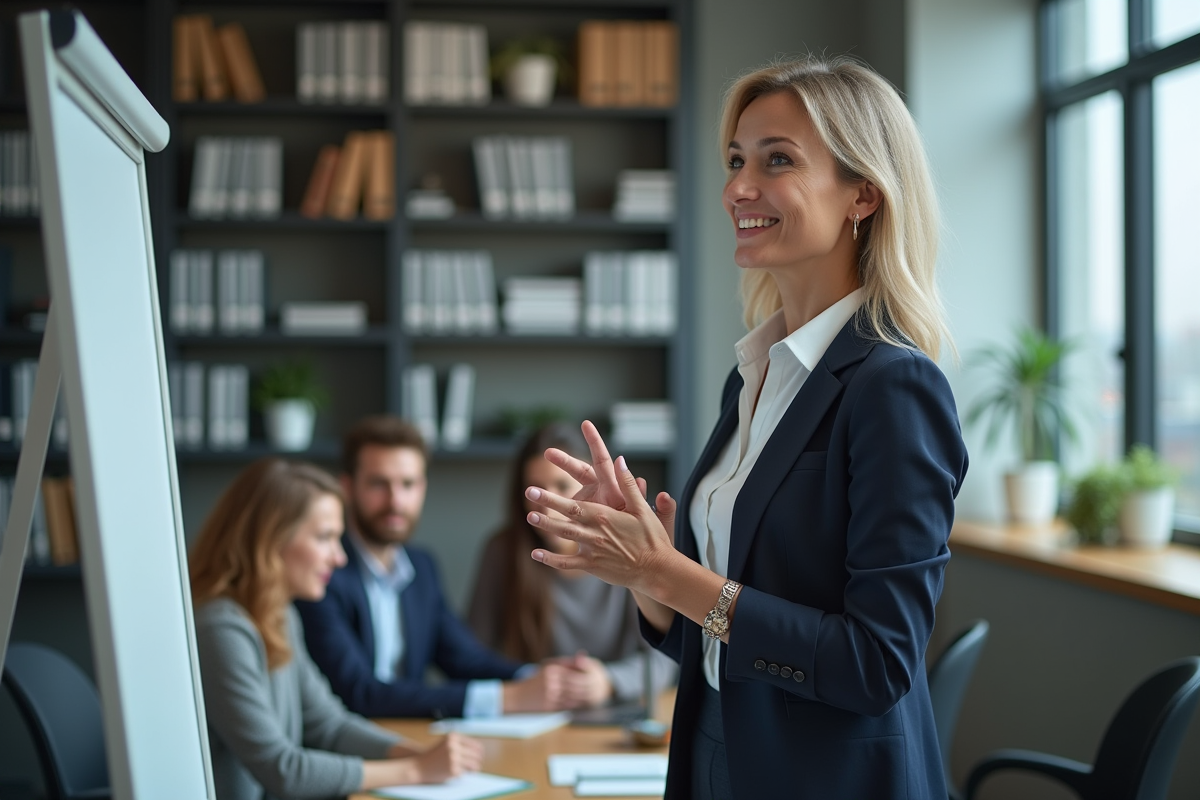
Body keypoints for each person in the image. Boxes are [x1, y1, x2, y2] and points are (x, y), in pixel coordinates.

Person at [520, 56, 969, 800]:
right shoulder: (755, 375)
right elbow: (721, 626)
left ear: (863, 194)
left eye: (777, 160)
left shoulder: (895, 386)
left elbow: (877, 665)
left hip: (828, 777)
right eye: (735, 160)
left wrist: (670, 572)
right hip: (716, 747)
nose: (737, 188)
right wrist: (644, 575)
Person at [189, 458, 484, 800]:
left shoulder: (278, 615)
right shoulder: (221, 628)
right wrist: (416, 770)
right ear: (271, 540)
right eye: (325, 538)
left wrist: (414, 752)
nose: (339, 558)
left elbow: (329, 725)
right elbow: (282, 770)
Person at [296, 415, 588, 720]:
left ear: (422, 487)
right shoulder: (321, 573)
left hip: (409, 737)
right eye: (379, 484)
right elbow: (359, 693)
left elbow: (464, 659)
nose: (396, 501)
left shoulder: (421, 568)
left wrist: (544, 676)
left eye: (407, 484)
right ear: (348, 487)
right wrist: (507, 698)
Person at [467, 423, 677, 708]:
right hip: (532, 715)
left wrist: (608, 680)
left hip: (614, 715)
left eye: (562, 487)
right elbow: (473, 651)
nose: (547, 505)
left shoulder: (628, 550)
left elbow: (664, 658)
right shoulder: (503, 551)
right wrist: (533, 679)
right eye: (535, 491)